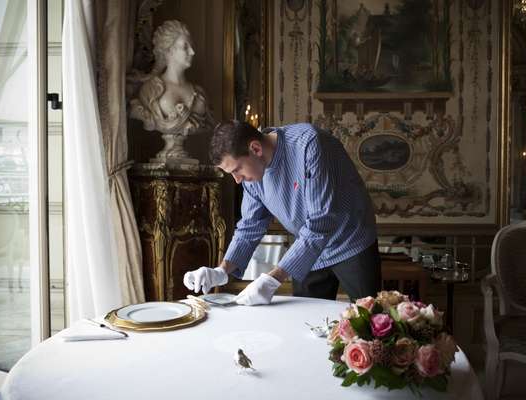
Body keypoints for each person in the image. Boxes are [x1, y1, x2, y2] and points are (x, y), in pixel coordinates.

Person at [184, 121, 381, 305]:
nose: (237, 180)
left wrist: (272, 279)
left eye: (237, 170)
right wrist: (222, 270)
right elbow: (250, 225)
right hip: (307, 250)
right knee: (306, 324)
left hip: (350, 239)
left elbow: (322, 220)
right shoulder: (253, 176)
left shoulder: (308, 144)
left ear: (256, 149)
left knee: (370, 321)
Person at [129, 20, 213, 160]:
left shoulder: (199, 93)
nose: (192, 52)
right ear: (168, 51)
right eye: (185, 47)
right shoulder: (151, 90)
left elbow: (207, 123)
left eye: (191, 46)